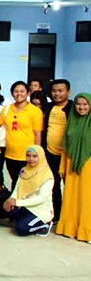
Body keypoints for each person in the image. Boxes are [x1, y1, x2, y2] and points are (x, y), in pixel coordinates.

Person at [0, 81, 43, 191]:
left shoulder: (35, 111)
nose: (19, 94)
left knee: (26, 183)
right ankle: (15, 201)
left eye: (22, 91)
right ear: (12, 93)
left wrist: (37, 152)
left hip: (28, 155)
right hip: (10, 154)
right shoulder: (7, 109)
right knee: (15, 181)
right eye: (16, 91)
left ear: (28, 93)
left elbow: (38, 134)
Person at [56, 93, 91, 241]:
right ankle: (69, 227)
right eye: (78, 104)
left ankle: (87, 231)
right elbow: (65, 146)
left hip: (88, 164)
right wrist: (62, 167)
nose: (81, 107)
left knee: (87, 198)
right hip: (71, 164)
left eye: (85, 104)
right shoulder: (72, 121)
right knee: (71, 197)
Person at [1, 145, 54, 236]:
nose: (31, 159)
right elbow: (17, 189)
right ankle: (26, 220)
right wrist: (11, 200)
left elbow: (41, 198)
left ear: (41, 157)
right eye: (28, 156)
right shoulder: (24, 170)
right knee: (4, 209)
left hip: (39, 211)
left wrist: (17, 202)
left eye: (35, 156)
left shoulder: (47, 176)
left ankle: (45, 225)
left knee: (21, 229)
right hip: (26, 206)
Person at [41, 79, 71, 224]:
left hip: (67, 155)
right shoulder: (48, 107)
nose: (57, 94)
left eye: (60, 91)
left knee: (69, 186)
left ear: (68, 92)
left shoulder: (73, 108)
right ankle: (57, 215)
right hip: (50, 153)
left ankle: (69, 217)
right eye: (54, 91)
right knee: (53, 185)